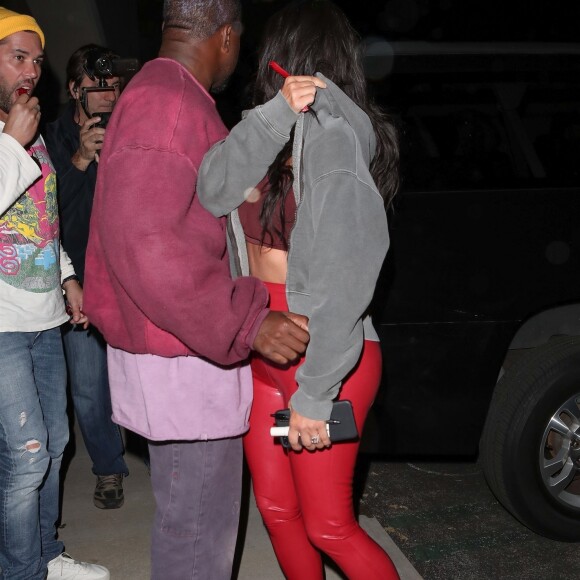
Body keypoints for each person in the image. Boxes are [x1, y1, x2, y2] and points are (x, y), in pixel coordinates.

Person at [82, 1, 310, 578]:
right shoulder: (167, 103)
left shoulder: (165, 94)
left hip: (183, 343)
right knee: (198, 531)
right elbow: (149, 246)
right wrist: (248, 321)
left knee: (192, 521)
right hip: (184, 352)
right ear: (226, 36)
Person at [197, 1, 400, 578]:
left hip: (325, 352)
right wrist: (271, 118)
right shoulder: (266, 129)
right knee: (278, 512)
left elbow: (348, 275)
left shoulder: (336, 141)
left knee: (329, 526)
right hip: (262, 342)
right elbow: (211, 191)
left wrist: (315, 395)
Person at [0, 7, 110, 580]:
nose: (30, 70)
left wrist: (67, 275)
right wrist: (14, 146)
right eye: (17, 56)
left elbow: (39, 217)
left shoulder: (31, 132)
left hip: (42, 315)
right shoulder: (18, 137)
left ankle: (43, 556)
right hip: (1, 325)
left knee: (55, 442)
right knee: (24, 456)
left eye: (36, 60)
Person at [45, 44, 129, 510]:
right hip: (77, 281)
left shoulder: (130, 131)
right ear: (75, 88)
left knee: (141, 377)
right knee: (88, 388)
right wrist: (79, 162)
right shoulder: (50, 138)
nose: (107, 95)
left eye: (114, 86)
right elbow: (45, 222)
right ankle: (109, 467)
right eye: (97, 86)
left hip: (125, 278)